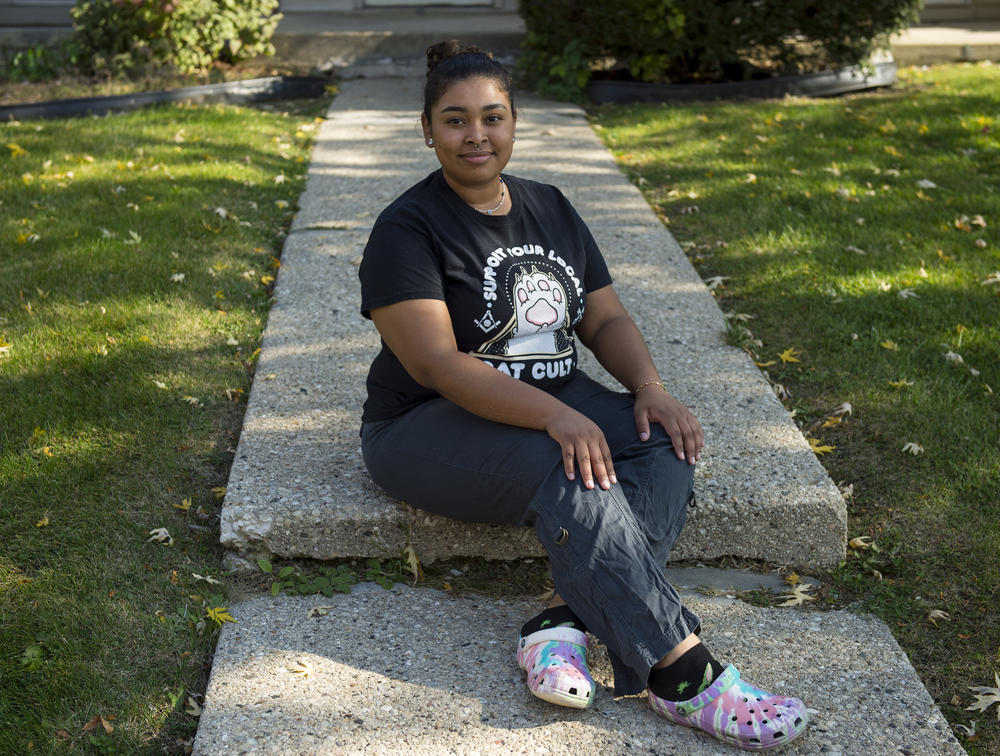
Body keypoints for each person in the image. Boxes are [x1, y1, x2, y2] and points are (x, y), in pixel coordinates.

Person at [358, 40, 809, 752]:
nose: (476, 135)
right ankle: (685, 677)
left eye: (492, 116)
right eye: (455, 120)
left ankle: (562, 624)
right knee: (574, 471)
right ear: (427, 129)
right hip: (425, 423)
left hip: (552, 395)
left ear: (514, 122)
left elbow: (602, 317)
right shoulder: (406, 228)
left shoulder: (551, 206)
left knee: (662, 444)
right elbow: (441, 366)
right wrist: (560, 418)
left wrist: (650, 389)